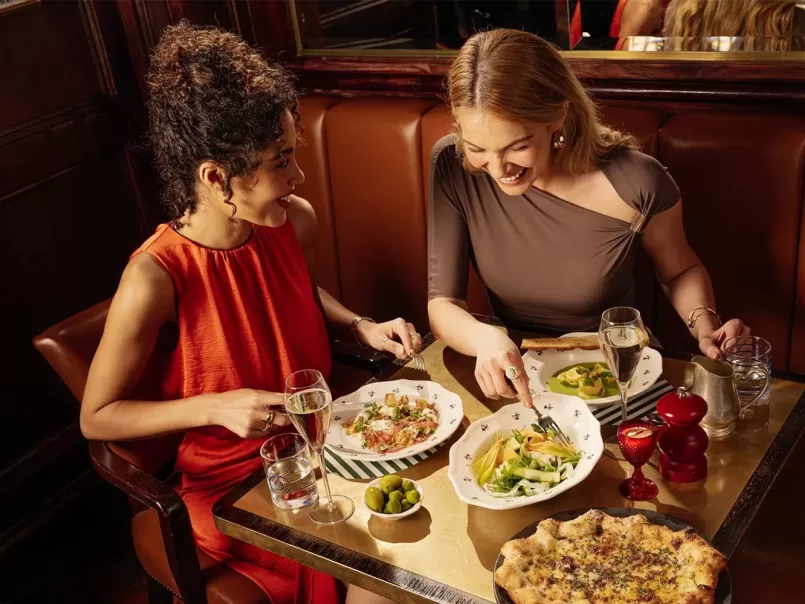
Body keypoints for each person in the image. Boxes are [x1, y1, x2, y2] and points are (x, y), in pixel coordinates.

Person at [79, 22, 416, 604]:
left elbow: (296, 295)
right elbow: (97, 417)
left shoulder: (288, 221)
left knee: (417, 538)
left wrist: (359, 323)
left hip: (325, 448)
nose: (298, 177)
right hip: (235, 487)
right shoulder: (154, 275)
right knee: (382, 579)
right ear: (215, 176)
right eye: (281, 162)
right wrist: (215, 406)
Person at [427, 29, 749, 407]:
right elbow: (442, 303)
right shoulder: (451, 164)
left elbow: (680, 271)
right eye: (478, 148)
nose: (498, 169)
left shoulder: (638, 181)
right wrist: (485, 339)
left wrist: (706, 326)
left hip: (622, 373)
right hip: (518, 375)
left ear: (557, 119)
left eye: (518, 146)